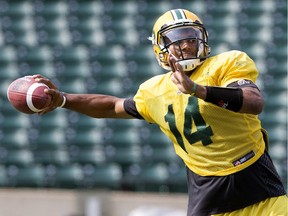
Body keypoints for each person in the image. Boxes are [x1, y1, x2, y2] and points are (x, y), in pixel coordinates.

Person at [33, 9, 287, 216]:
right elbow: (111, 105)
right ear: (160, 48)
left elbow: (254, 102)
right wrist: (64, 99)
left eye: (190, 37)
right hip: (209, 192)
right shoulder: (154, 90)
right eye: (176, 40)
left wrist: (198, 90)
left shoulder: (226, 63)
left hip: (256, 179)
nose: (186, 45)